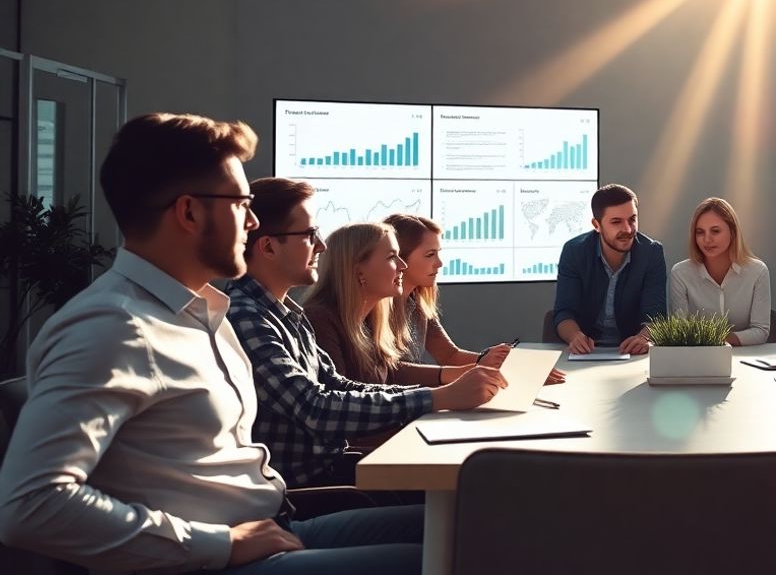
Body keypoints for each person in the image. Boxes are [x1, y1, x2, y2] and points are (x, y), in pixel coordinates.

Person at [0, 113, 424, 574]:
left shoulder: (206, 312)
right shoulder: (113, 326)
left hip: (269, 526)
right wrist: (216, 545)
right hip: (216, 558)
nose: (254, 220)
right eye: (242, 203)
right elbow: (29, 505)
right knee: (446, 558)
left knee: (468, 526)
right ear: (189, 212)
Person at [226, 180, 508, 488]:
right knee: (459, 508)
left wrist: (441, 395)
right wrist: (437, 398)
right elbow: (314, 407)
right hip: (307, 491)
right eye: (309, 235)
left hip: (334, 468)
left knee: (465, 496)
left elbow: (340, 385)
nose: (320, 245)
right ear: (267, 247)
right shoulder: (247, 318)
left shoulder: (289, 314)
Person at [385, 212, 563, 384]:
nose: (439, 263)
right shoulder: (378, 309)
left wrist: (510, 366)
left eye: (438, 253)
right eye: (430, 255)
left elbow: (450, 355)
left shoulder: (418, 305)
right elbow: (388, 372)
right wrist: (481, 367)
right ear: (398, 258)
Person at [304, 222, 476, 386]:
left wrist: (453, 375)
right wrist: (441, 396)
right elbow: (341, 396)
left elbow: (389, 372)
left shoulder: (369, 318)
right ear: (358, 271)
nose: (402, 265)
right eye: (392, 257)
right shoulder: (320, 321)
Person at [552, 184, 667, 355]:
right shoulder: (574, 252)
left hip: (630, 353)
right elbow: (564, 312)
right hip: (587, 352)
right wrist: (575, 337)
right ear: (596, 225)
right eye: (616, 222)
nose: (628, 229)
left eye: (632, 219)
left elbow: (656, 316)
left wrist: (644, 338)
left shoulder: (651, 253)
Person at [668, 197, 772, 346]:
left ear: (732, 232)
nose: (707, 239)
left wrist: (717, 341)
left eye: (715, 231)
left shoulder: (758, 272)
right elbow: (680, 331)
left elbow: (761, 331)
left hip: (746, 358)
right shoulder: (680, 273)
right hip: (698, 360)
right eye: (700, 232)